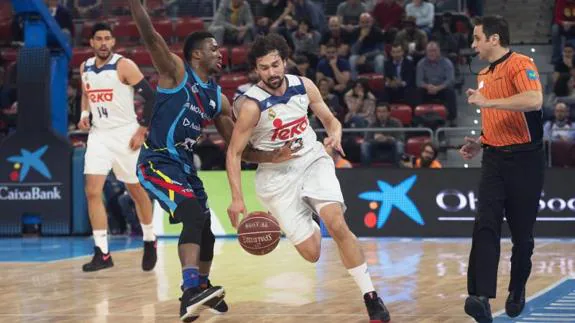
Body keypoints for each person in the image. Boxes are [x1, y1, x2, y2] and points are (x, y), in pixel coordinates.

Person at [127, 1, 297, 321]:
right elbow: (150, 35)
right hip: (157, 161)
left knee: (206, 229)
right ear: (196, 54)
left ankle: (201, 288)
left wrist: (270, 156)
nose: (221, 53)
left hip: (185, 167)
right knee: (191, 214)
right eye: (213, 48)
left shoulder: (218, 98)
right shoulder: (176, 71)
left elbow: (237, 147)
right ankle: (190, 290)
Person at [225, 33, 391, 323]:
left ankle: (371, 297)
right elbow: (236, 153)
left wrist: (334, 135)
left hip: (312, 160)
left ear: (284, 61)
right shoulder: (252, 105)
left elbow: (330, 120)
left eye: (275, 65)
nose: (272, 72)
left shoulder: (305, 86)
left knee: (337, 224)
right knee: (312, 254)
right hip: (275, 179)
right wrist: (238, 198)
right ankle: (309, 217)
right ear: (256, 70)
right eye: (264, 68)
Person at [459, 15, 544, 323]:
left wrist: (489, 103)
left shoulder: (521, 64)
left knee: (523, 238)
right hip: (493, 159)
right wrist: (480, 141)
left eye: (477, 38)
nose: (473, 44)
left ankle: (517, 287)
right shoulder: (482, 73)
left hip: (525, 161)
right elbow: (497, 119)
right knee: (485, 224)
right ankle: (479, 297)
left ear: (494, 39)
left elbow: (534, 100)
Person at [77, 23, 157, 273]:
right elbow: (86, 94)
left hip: (125, 134)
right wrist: (83, 113)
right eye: (98, 39)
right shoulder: (85, 67)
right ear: (91, 42)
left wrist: (142, 130)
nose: (103, 43)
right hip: (99, 135)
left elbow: (152, 98)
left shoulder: (125, 65)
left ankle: (149, 238)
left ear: (113, 42)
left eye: (107, 38)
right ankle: (102, 252)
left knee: (135, 191)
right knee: (92, 192)